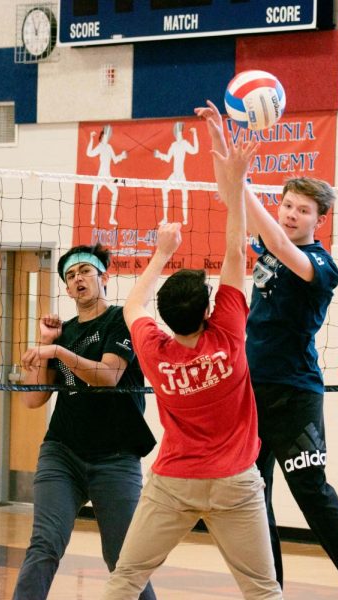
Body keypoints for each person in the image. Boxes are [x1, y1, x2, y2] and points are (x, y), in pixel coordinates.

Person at [194, 102, 338, 600]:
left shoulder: (319, 264)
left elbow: (273, 237)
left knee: (312, 493)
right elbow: (229, 196)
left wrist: (243, 177)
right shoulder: (270, 243)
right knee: (257, 499)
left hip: (294, 397)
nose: (291, 214)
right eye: (288, 205)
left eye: (303, 210)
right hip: (250, 395)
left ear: (320, 218)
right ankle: (270, 591)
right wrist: (218, 140)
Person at [100, 119, 282, 599]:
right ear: (207, 310)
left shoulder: (154, 351)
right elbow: (234, 251)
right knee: (263, 589)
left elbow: (133, 306)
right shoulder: (228, 333)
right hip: (234, 482)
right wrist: (237, 181)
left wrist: (160, 254)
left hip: (174, 481)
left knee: (125, 577)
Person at [12, 244, 157, 600]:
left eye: (84, 271)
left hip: (116, 457)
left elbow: (108, 375)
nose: (78, 279)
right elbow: (33, 399)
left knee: (123, 559)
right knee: (44, 545)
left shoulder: (122, 319)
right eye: (70, 275)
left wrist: (58, 351)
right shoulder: (65, 332)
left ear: (102, 277)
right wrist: (46, 344)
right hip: (63, 453)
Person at [153, 121, 199, 225]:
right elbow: (168, 158)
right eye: (177, 132)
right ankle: (165, 218)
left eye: (180, 131)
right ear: (175, 133)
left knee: (185, 195)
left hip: (181, 175)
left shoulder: (185, 144)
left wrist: (195, 134)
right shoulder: (173, 145)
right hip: (174, 175)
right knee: (164, 189)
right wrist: (159, 155)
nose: (179, 134)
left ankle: (185, 219)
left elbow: (195, 150)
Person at [87, 124, 128, 225]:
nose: (106, 138)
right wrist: (91, 138)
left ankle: (111, 218)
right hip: (100, 177)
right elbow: (89, 153)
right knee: (94, 195)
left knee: (116, 191)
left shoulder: (109, 147)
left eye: (107, 136)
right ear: (101, 138)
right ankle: (92, 219)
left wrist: (122, 156)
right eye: (105, 136)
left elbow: (115, 160)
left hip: (109, 177)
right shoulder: (100, 147)